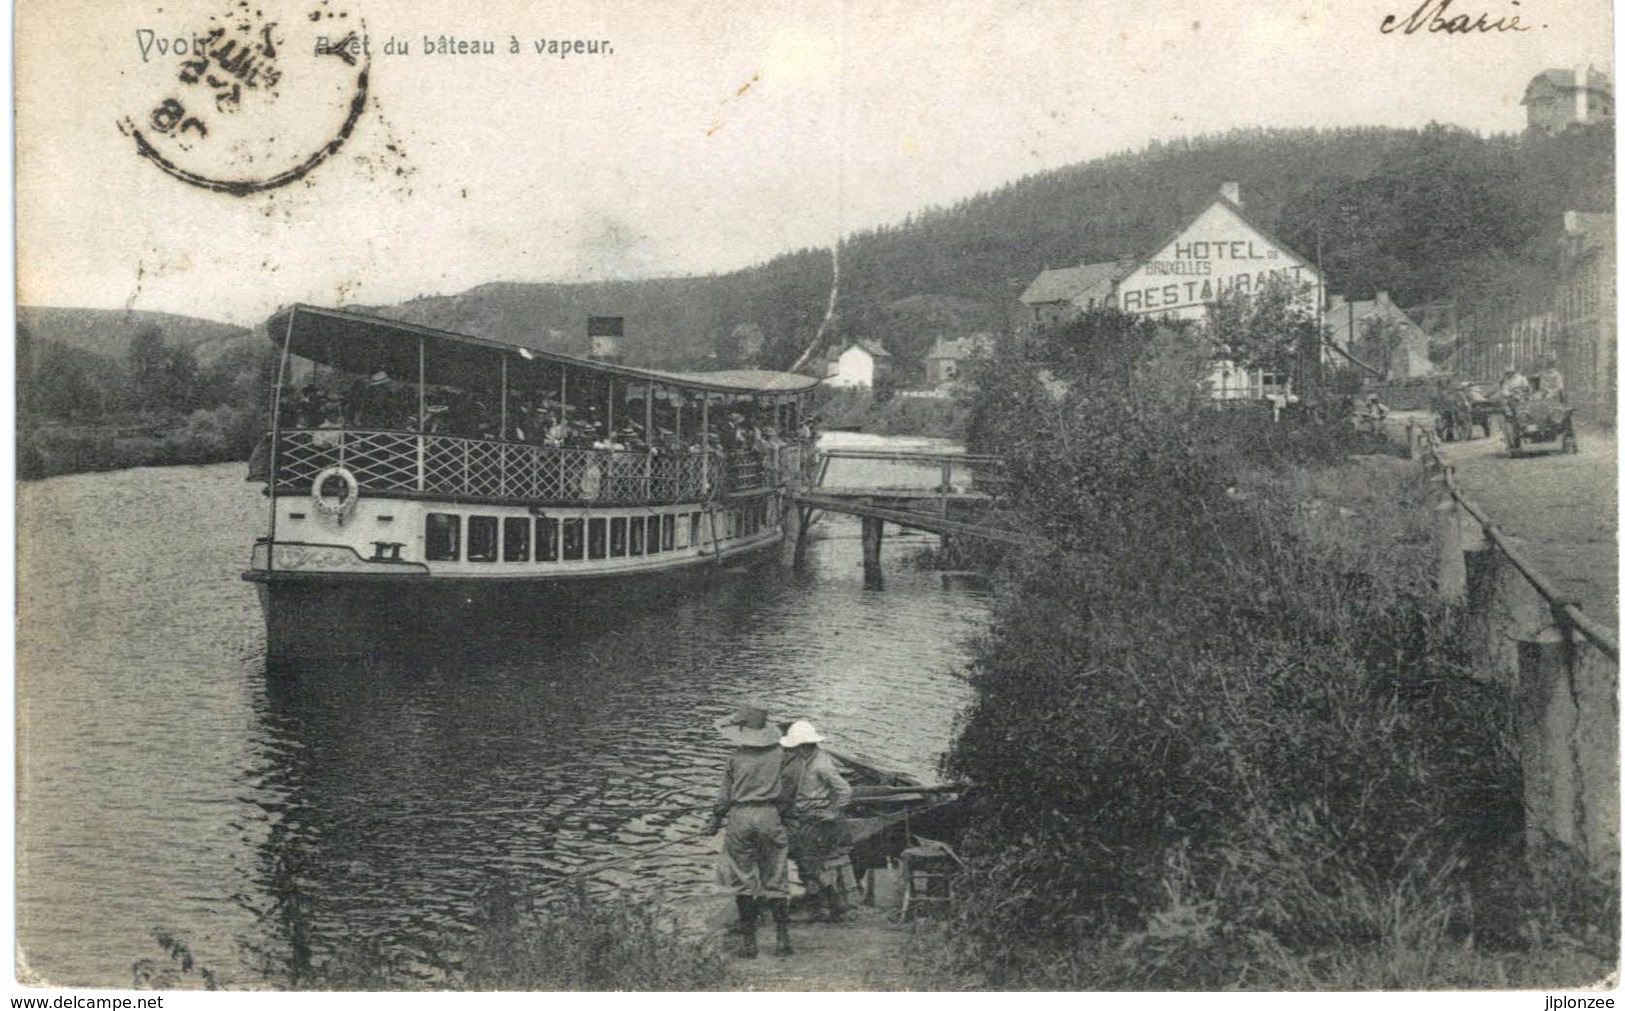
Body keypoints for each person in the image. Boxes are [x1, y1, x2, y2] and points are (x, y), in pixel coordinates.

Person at [709, 702, 793, 958]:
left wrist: (713, 821)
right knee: (776, 876)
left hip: (740, 817)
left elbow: (723, 799)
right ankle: (782, 939)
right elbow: (788, 792)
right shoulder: (781, 755)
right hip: (769, 815)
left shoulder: (735, 759)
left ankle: (749, 944)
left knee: (742, 878)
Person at [778, 720, 853, 923]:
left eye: (795, 747)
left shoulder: (822, 763)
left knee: (808, 861)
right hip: (803, 818)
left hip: (819, 823)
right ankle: (824, 903)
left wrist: (832, 811)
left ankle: (828, 904)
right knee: (805, 861)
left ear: (805, 745)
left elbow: (845, 790)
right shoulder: (805, 761)